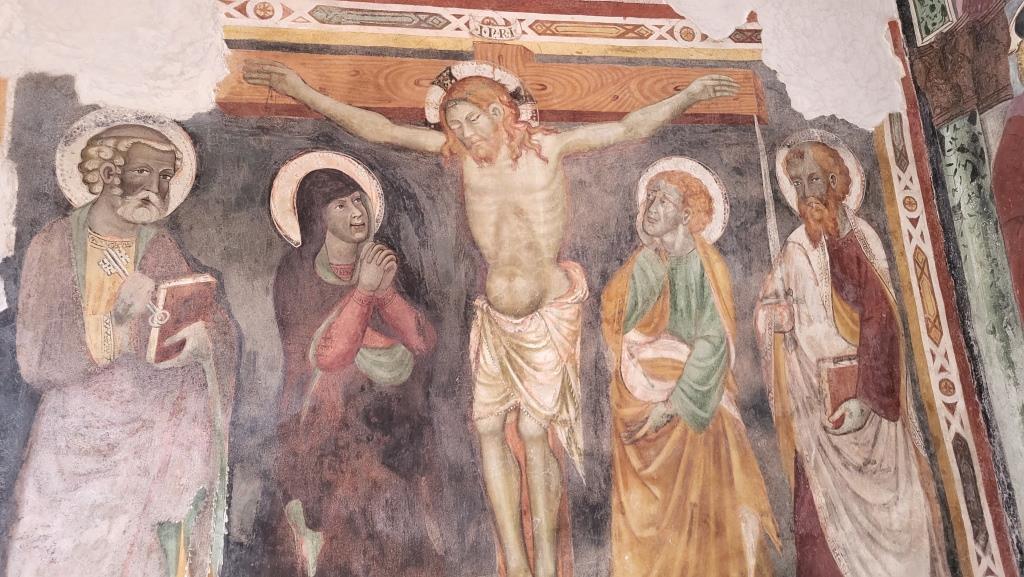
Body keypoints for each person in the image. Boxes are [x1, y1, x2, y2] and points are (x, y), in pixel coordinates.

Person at [243, 58, 739, 577]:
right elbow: (380, 129)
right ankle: (517, 565)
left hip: (548, 315)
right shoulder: (464, 160)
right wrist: (302, 90)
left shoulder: (548, 150)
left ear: (501, 112)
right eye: (454, 125)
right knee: (487, 427)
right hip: (496, 320)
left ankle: (545, 566)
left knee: (533, 432)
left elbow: (628, 127)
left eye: (471, 120)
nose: (463, 133)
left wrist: (689, 96)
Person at [8, 118, 237, 577]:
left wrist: (203, 343)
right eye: (143, 172)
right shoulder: (54, 244)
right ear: (109, 173)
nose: (156, 189)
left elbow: (205, 323)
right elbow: (35, 358)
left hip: (146, 443)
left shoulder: (161, 247)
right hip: (71, 440)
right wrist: (116, 323)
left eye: (165, 177)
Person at [755, 135, 950, 577]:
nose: (806, 193)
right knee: (819, 528)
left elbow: (883, 320)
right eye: (797, 183)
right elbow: (781, 318)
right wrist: (775, 319)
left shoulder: (865, 239)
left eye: (814, 180)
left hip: (875, 408)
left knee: (901, 519)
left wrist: (869, 395)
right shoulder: (794, 249)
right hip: (820, 414)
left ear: (835, 182)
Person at [256, 154, 442, 577]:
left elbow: (421, 342)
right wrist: (363, 293)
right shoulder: (297, 273)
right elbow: (327, 356)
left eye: (359, 200)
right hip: (323, 428)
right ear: (317, 217)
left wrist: (385, 294)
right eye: (341, 205)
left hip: (390, 426)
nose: (356, 212)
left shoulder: (381, 261)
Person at [601, 161, 779, 577]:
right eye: (650, 198)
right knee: (649, 520)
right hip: (640, 397)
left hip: (693, 404)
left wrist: (675, 404)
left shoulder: (707, 266)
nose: (652, 206)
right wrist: (648, 257)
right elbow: (618, 321)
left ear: (686, 213)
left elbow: (714, 343)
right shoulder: (645, 261)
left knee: (704, 507)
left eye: (664, 200)